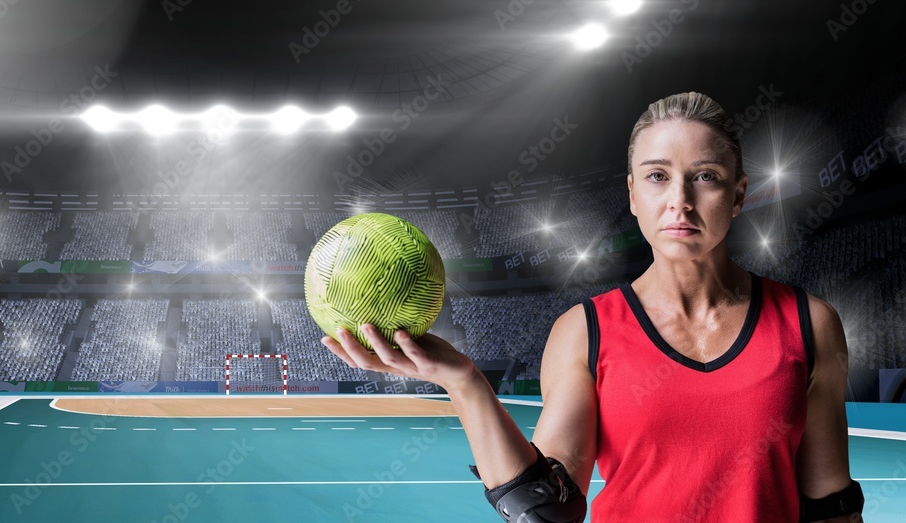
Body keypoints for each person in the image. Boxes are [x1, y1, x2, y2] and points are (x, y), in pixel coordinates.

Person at [322, 92, 863, 522]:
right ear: (632, 195)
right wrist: (464, 382)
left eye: (705, 176)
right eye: (657, 176)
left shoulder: (807, 324)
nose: (680, 200)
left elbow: (829, 509)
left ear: (739, 194)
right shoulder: (587, 331)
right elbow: (546, 509)